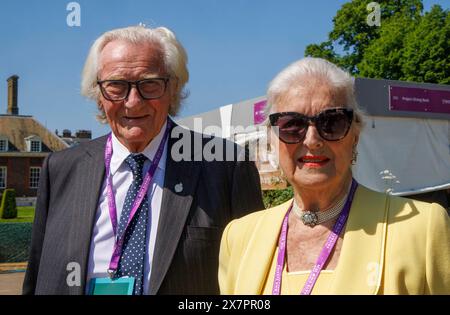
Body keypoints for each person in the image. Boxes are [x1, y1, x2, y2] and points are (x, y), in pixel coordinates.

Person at [23, 25, 264, 295]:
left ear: (173, 87)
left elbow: (253, 284)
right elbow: (36, 278)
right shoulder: (60, 169)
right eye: (116, 85)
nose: (133, 102)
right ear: (98, 94)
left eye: (149, 84)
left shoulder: (226, 166)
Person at [219, 57, 450, 294]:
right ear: (271, 139)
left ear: (355, 136)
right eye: (292, 125)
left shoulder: (422, 229)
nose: (312, 140)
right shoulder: (238, 238)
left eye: (332, 122)